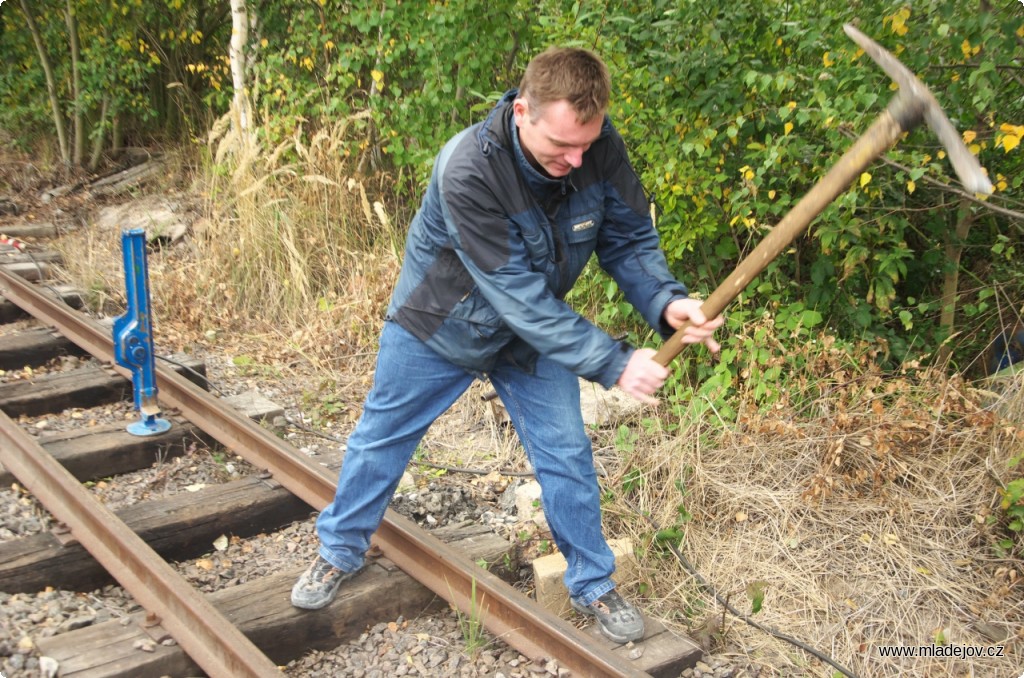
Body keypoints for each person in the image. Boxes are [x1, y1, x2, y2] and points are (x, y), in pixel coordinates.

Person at [291, 46, 723, 644]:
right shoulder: (467, 167)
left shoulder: (595, 145)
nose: (575, 161)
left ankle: (594, 582)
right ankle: (339, 548)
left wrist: (666, 302)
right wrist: (615, 363)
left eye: (586, 146)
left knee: (567, 453)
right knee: (382, 436)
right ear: (523, 111)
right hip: (441, 324)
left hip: (531, 333)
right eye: (560, 147)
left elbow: (627, 238)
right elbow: (514, 292)